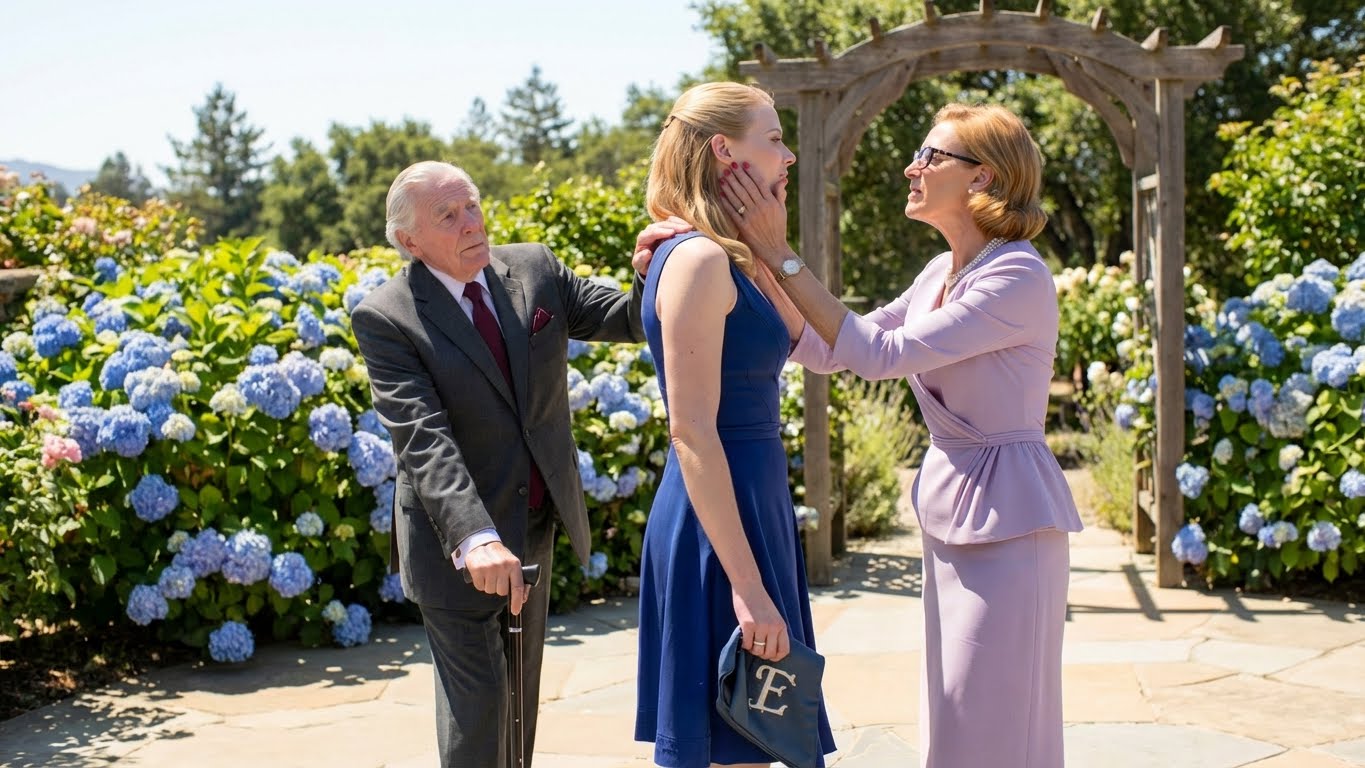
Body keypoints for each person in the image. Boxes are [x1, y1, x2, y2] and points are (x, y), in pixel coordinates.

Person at [719, 103, 1083, 768]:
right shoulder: (937, 272)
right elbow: (830, 347)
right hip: (951, 513)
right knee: (952, 708)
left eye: (932, 156)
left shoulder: (1016, 274)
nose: (912, 168)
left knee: (991, 713)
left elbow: (881, 355)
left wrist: (779, 249)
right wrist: (741, 257)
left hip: (1010, 521)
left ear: (983, 179)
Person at [351, 160, 686, 768]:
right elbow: (423, 437)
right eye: (447, 216)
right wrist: (474, 537)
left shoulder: (533, 268)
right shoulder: (387, 316)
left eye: (471, 205)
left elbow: (632, 319)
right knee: (478, 719)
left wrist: (649, 272)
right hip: (455, 545)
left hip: (532, 530)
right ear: (409, 241)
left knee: (518, 712)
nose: (470, 223)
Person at [632, 82, 837, 768]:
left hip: (753, 504)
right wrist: (748, 590)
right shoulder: (696, 259)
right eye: (772, 139)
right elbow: (691, 432)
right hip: (714, 518)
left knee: (755, 743)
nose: (786, 157)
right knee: (729, 748)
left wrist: (769, 243)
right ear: (724, 150)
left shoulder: (730, 254)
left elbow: (823, 346)